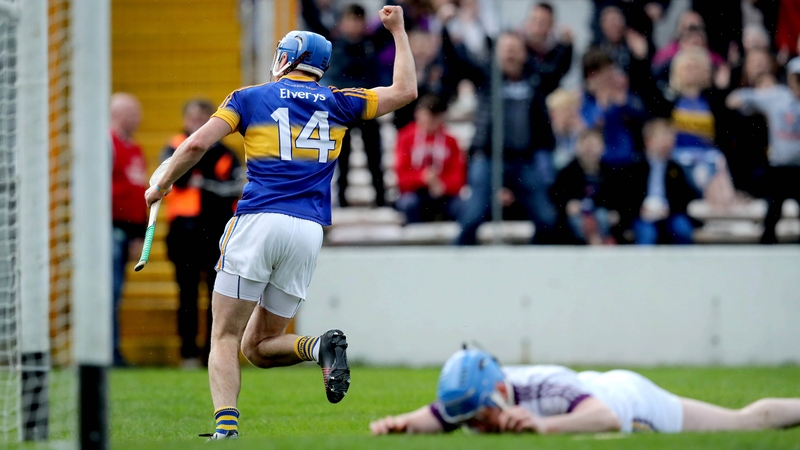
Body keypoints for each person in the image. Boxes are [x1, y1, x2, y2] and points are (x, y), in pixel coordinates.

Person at [144, 6, 417, 440]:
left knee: (225, 336)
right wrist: (399, 31)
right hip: (308, 231)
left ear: (286, 58)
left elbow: (196, 143)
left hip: (258, 221)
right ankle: (318, 345)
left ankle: (226, 431)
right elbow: (405, 91)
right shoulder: (340, 101)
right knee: (258, 346)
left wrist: (162, 181)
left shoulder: (249, 97)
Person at [370, 349, 800, 435]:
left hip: (630, 401)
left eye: (481, 415)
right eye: (471, 421)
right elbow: (440, 415)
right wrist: (402, 425)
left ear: (500, 391)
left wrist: (544, 426)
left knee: (746, 423)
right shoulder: (477, 394)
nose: (480, 426)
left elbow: (606, 418)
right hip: (598, 388)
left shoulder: (542, 386)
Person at [160, 99, 243, 368]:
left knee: (215, 296)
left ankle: (211, 352)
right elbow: (177, 178)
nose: (196, 122)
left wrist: (202, 180)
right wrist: (205, 179)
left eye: (202, 117)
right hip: (184, 231)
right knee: (187, 294)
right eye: (192, 117)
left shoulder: (226, 153)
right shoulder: (174, 145)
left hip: (217, 231)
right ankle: (187, 354)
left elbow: (233, 187)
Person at [455, 32, 557, 245]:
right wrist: (448, 34)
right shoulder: (486, 76)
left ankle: (535, 265)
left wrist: (567, 44)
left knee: (547, 218)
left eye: (514, 49)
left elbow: (558, 69)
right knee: (472, 217)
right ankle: (458, 264)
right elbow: (458, 62)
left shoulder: (535, 80)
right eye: (505, 49)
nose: (510, 54)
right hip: (488, 158)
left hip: (522, 161)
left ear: (524, 53)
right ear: (496, 53)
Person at [726, 56, 800, 244]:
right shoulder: (777, 96)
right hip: (780, 166)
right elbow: (744, 96)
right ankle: (767, 245)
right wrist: (739, 99)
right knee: (774, 209)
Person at [326, 4, 386, 207]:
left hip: (368, 105)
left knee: (374, 155)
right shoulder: (332, 44)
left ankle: (381, 198)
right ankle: (341, 199)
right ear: (342, 22)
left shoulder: (371, 43)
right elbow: (311, 16)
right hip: (343, 108)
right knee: (342, 156)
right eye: (350, 20)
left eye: (358, 20)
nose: (354, 25)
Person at [110, 92, 147, 367]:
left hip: (127, 231)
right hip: (109, 230)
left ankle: (113, 350)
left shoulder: (134, 148)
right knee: (108, 292)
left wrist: (138, 234)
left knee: (117, 292)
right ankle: (106, 352)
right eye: (133, 112)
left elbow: (137, 196)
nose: (139, 118)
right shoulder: (107, 144)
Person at [394, 95, 465, 223]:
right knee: (409, 204)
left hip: (444, 193)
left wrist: (443, 185)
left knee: (462, 207)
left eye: (434, 118)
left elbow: (458, 178)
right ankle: (415, 241)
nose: (429, 122)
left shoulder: (451, 141)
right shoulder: (405, 138)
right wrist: (422, 178)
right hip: (416, 193)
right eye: (425, 117)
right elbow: (401, 178)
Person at [627, 119, 698, 245]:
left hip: (670, 214)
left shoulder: (675, 168)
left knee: (682, 228)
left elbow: (685, 197)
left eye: (671, 137)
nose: (669, 141)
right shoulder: (635, 167)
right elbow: (625, 197)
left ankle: (685, 264)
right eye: (664, 136)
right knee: (647, 233)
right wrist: (641, 209)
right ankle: (644, 264)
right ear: (649, 140)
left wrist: (668, 209)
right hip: (643, 216)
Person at [549, 128, 617, 245]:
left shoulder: (610, 173)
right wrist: (567, 204)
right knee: (577, 221)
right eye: (586, 146)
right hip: (577, 218)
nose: (590, 150)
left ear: (602, 147)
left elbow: (616, 198)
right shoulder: (567, 172)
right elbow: (556, 195)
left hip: (600, 216)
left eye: (594, 146)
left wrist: (615, 211)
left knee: (602, 216)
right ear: (578, 147)